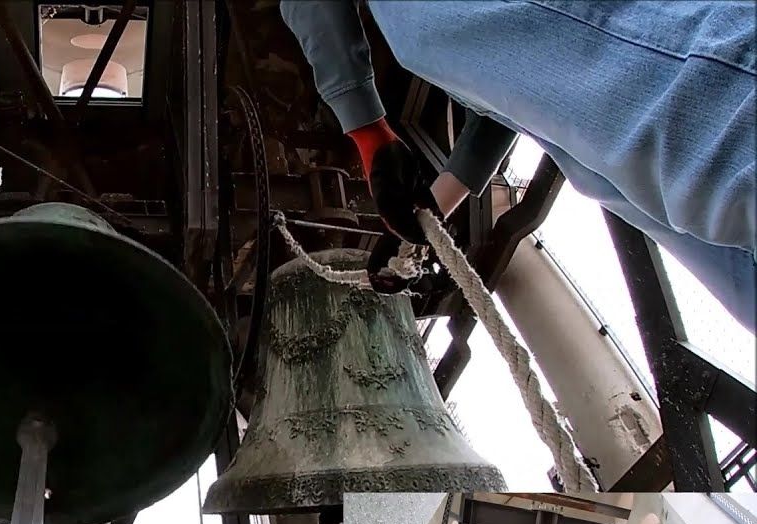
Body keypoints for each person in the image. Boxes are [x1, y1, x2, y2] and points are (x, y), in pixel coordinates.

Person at [280, 0, 756, 331]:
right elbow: (511, 89)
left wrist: (367, 130)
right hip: (606, 156)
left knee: (718, 153)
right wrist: (433, 205)